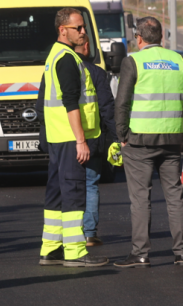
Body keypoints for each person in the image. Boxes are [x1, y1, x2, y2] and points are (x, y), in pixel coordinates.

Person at [38, 8, 107, 268]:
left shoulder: (55, 55)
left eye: (83, 27)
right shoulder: (67, 59)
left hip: (58, 136)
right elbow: (70, 102)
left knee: (56, 193)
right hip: (69, 138)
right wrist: (81, 140)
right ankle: (75, 252)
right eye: (77, 27)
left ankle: (50, 248)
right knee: (74, 193)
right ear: (62, 30)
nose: (83, 32)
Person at [113, 16, 183, 268]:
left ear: (139, 37)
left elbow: (122, 102)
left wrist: (122, 136)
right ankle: (181, 252)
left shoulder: (133, 61)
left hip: (139, 140)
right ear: (162, 36)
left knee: (141, 198)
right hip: (173, 139)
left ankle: (140, 253)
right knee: (175, 196)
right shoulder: (179, 60)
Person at [73, 39, 117, 247]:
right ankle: (89, 233)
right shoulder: (97, 73)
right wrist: (118, 136)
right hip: (92, 138)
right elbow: (107, 108)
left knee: (69, 185)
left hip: (66, 139)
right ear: (86, 48)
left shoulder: (57, 71)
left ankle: (71, 232)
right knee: (90, 184)